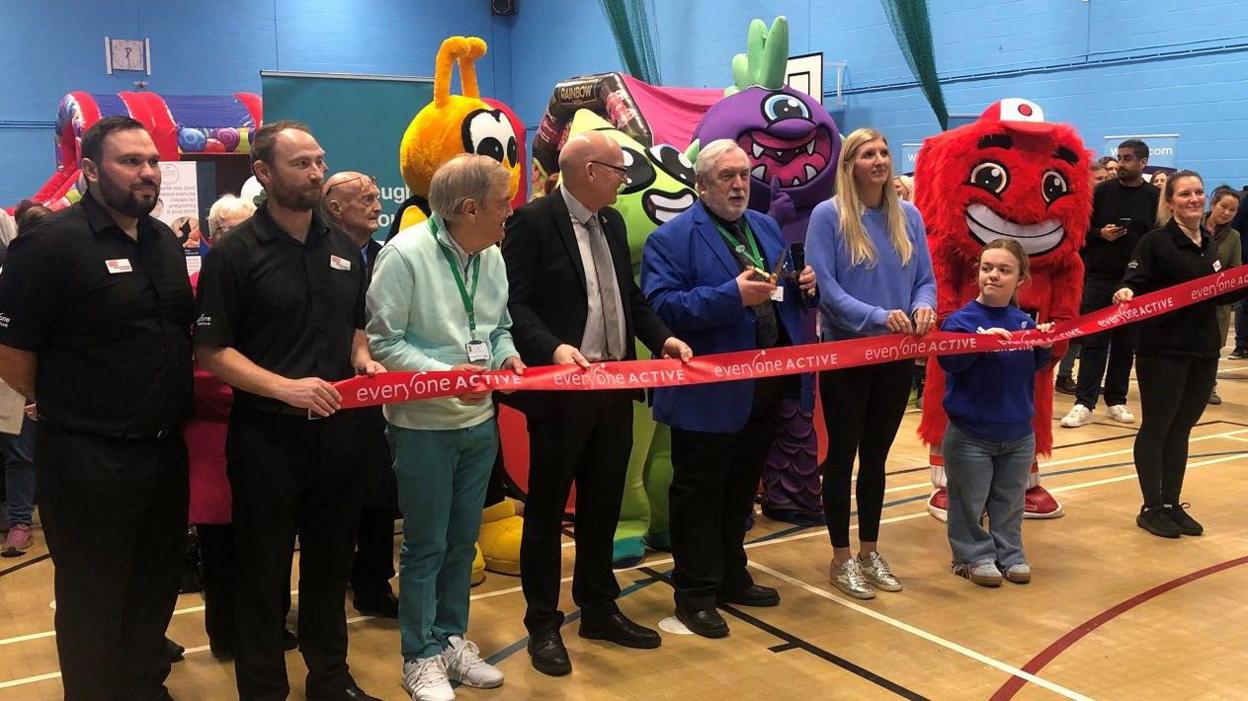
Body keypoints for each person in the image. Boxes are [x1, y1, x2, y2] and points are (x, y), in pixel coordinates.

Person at [0, 116, 194, 699]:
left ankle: (142, 684)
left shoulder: (162, 242)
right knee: (91, 596)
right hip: (87, 457)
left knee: (155, 584)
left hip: (163, 453)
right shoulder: (51, 244)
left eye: (153, 161)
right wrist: (49, 401)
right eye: (130, 161)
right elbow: (12, 352)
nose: (147, 172)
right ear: (88, 171)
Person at [194, 120, 382, 701]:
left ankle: (330, 678)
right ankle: (263, 688)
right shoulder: (233, 255)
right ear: (264, 173)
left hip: (339, 440)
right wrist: (285, 388)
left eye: (320, 160)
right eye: (301, 163)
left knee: (329, 569)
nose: (316, 172)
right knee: (263, 576)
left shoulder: (346, 250)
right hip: (266, 442)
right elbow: (210, 350)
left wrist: (363, 359)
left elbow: (354, 329)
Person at [503, 131, 691, 675]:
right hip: (562, 392)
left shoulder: (610, 222)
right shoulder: (535, 222)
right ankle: (542, 622)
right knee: (545, 511)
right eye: (618, 171)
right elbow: (512, 302)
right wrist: (552, 347)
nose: (625, 180)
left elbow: (628, 297)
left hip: (612, 388)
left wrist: (662, 338)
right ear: (588, 171)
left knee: (604, 503)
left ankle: (598, 606)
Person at [642, 139, 816, 638]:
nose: (739, 184)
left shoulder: (763, 226)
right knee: (699, 494)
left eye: (743, 175)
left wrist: (803, 287)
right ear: (700, 185)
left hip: (764, 387)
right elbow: (663, 308)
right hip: (706, 394)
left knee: (741, 490)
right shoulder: (671, 239)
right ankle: (695, 593)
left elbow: (778, 294)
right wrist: (730, 296)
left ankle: (731, 574)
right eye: (726, 176)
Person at [368, 154, 523, 701]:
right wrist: (444, 377)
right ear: (469, 208)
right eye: (504, 201)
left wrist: (504, 358)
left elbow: (498, 326)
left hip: (480, 421)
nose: (511, 209)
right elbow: (384, 342)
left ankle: (451, 638)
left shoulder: (492, 255)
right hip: (421, 425)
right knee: (425, 546)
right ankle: (419, 656)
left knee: (462, 542)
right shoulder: (403, 256)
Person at [805, 128, 936, 599]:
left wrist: (924, 306)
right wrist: (878, 316)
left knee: (876, 458)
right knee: (842, 455)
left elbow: (924, 277)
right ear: (849, 165)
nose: (879, 160)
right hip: (846, 355)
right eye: (868, 154)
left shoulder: (909, 216)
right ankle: (841, 557)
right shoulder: (828, 216)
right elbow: (827, 291)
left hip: (895, 357)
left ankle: (870, 549)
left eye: (884, 151)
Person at [1115, 171, 1244, 538]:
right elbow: (1132, 282)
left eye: (1198, 192)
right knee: (1157, 427)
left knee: (1182, 428)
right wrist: (1125, 292)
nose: (1194, 199)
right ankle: (1151, 506)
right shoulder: (1155, 242)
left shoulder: (1208, 243)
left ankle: (1172, 503)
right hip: (1163, 350)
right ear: (1170, 201)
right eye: (1185, 193)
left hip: (1203, 350)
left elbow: (1217, 295)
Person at [940, 239, 1054, 587]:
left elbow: (1032, 366)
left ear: (1020, 279)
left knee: (1009, 501)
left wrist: (1043, 346)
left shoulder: (1023, 322)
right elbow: (949, 361)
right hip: (970, 434)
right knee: (968, 502)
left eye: (1004, 270)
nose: (993, 275)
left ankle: (1010, 552)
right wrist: (980, 343)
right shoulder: (960, 321)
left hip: (1018, 433)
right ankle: (971, 555)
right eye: (987, 267)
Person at [322, 171, 403, 618]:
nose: (376, 205)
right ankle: (329, 591)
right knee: (337, 499)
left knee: (379, 492)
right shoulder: (318, 252)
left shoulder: (387, 254)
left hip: (379, 392)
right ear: (335, 208)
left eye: (377, 196)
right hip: (328, 393)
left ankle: (372, 585)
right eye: (366, 198)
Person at [1061, 139, 1159, 429]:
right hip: (1100, 278)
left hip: (1134, 283)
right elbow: (1080, 231)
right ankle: (1084, 402)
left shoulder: (1154, 196)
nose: (1122, 164)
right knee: (1094, 341)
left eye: (1128, 159)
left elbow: (1157, 237)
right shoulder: (1102, 191)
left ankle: (1116, 399)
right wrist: (1100, 234)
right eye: (1120, 157)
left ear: (1143, 163)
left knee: (1125, 344)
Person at [1201, 185, 1240, 404]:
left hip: (1217, 304)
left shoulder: (1233, 237)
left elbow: (1235, 268)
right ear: (1213, 203)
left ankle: (1209, 386)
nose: (1226, 213)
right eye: (1223, 207)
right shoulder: (1193, 225)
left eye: (1232, 210)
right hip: (1187, 299)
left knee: (1213, 347)